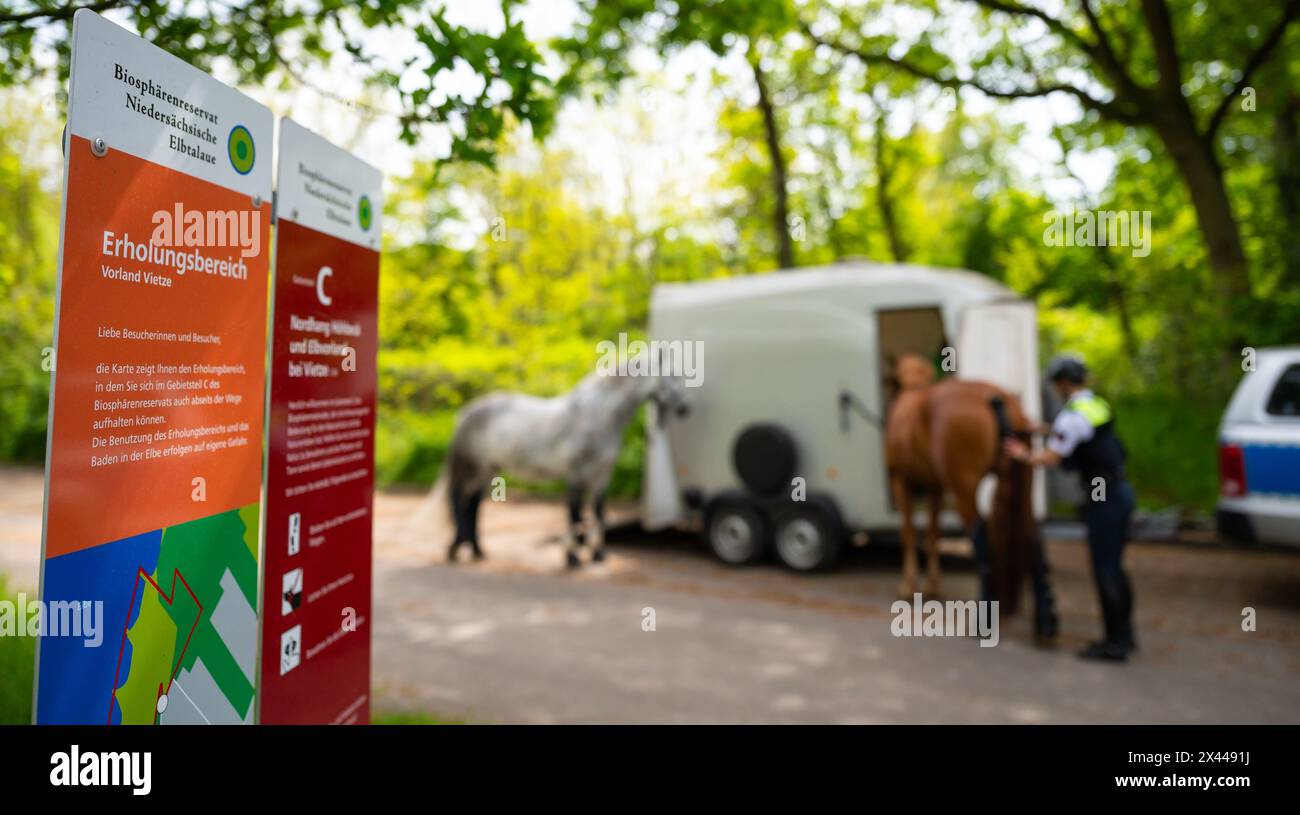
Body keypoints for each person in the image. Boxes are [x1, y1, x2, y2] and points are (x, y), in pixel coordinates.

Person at [1003, 356, 1137, 662]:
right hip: (1120, 492)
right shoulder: (1094, 404)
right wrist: (1045, 430)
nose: (1055, 389)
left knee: (1105, 569)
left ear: (1063, 383)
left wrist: (1022, 453)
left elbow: (1050, 459)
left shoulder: (1071, 415)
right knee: (1115, 567)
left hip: (1103, 498)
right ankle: (1126, 636)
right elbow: (1080, 433)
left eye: (1055, 383)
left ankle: (1114, 645)